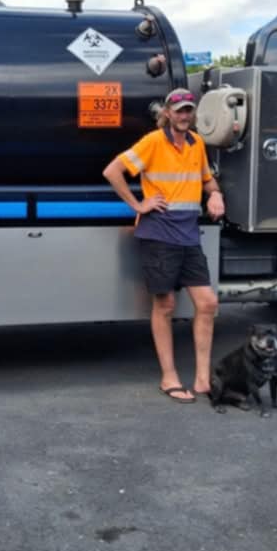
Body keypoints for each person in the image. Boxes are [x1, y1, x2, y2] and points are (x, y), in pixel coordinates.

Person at [103, 88, 225, 404]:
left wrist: (215, 194)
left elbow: (207, 179)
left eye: (189, 110)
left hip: (188, 235)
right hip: (158, 234)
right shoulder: (153, 141)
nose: (185, 115)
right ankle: (168, 377)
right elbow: (112, 171)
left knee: (208, 303)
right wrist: (138, 204)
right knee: (165, 305)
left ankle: (202, 380)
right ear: (168, 113)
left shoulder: (197, 142)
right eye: (179, 110)